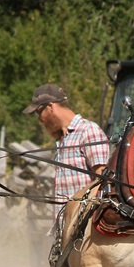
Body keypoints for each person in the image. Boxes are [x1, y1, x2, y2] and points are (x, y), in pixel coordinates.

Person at [22, 83, 110, 221]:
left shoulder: (88, 131)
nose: (40, 120)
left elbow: (102, 182)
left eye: (39, 112)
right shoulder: (63, 140)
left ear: (50, 106)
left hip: (82, 225)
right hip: (65, 227)